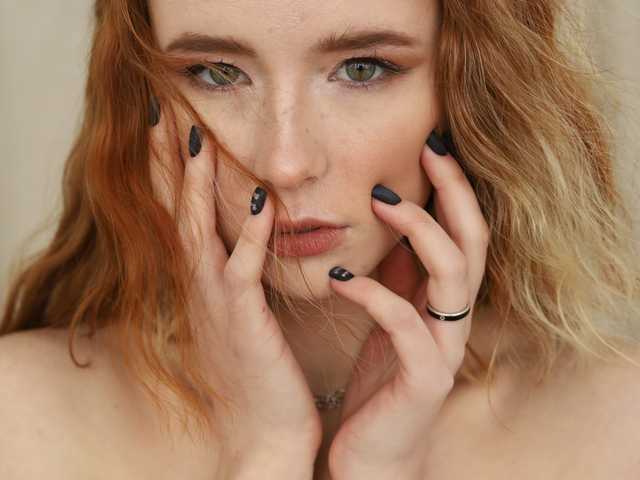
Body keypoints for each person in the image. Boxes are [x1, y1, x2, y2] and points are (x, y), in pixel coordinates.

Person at [2, 0, 640, 478]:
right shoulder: (20, 418)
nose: (284, 163)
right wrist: (265, 456)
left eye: (362, 68)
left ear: (467, 87)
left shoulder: (618, 430)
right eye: (216, 73)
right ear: (145, 97)